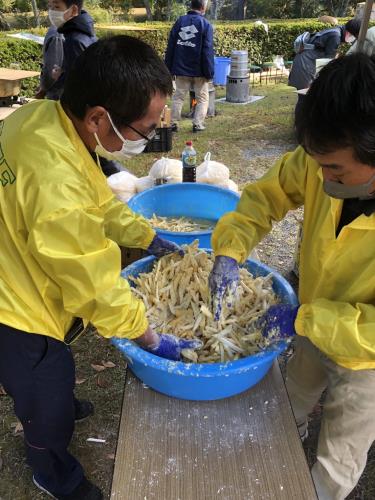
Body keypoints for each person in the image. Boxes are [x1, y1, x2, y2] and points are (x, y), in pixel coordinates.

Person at [0, 36, 200, 500]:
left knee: (56, 383)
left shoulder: (42, 118)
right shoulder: (54, 184)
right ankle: (51, 470)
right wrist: (146, 334)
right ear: (97, 117)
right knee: (43, 392)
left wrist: (149, 238)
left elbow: (97, 201)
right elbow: (92, 281)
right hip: (14, 309)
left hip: (18, 257)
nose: (147, 139)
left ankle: (60, 405)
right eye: (145, 129)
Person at [209, 53, 375, 500]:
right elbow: (266, 196)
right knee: (292, 396)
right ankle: (288, 434)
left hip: (367, 363)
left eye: (335, 169)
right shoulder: (323, 158)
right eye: (317, 163)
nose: (321, 178)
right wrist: (229, 250)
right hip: (309, 321)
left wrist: (303, 319)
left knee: (340, 453)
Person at [165, 0, 214, 133]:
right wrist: (209, 73)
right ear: (203, 7)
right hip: (199, 71)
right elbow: (207, 51)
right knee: (202, 98)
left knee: (178, 97)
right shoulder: (206, 24)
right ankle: (197, 124)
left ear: (190, 6)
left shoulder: (180, 21)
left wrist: (168, 68)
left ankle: (173, 123)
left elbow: (171, 47)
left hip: (180, 69)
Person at [288, 18, 361, 90]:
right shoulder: (335, 36)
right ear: (349, 32)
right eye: (353, 36)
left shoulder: (337, 31)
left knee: (308, 94)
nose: (353, 39)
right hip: (305, 63)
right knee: (305, 94)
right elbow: (329, 61)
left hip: (306, 60)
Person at [46, 0, 97, 100]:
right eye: (50, 7)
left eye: (56, 7)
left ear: (73, 10)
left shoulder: (74, 41)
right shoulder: (85, 32)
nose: (51, 12)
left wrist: (60, 77)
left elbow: (78, 82)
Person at [35, 25, 65, 100]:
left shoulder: (56, 33)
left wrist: (43, 89)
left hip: (58, 93)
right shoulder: (81, 30)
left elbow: (52, 69)